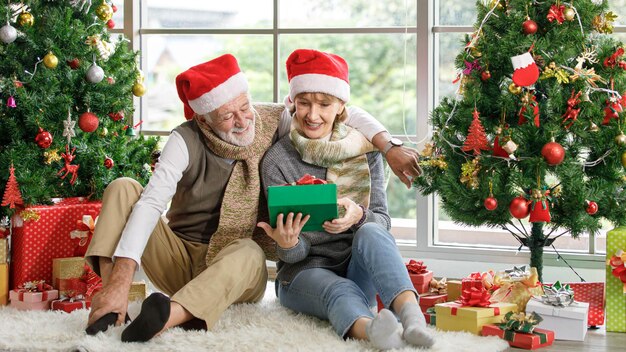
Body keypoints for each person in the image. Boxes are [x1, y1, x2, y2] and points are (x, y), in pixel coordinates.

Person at [83, 53, 422, 342]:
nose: (243, 120)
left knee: (249, 250)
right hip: (183, 257)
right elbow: (151, 203)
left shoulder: (273, 120)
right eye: (227, 115)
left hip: (236, 266)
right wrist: (122, 281)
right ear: (202, 117)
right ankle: (113, 297)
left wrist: (387, 145)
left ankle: (168, 315)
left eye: (245, 107)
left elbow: (340, 109)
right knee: (123, 186)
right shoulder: (187, 141)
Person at [258, 49, 434, 350]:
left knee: (372, 230)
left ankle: (413, 318)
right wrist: (287, 244)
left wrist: (359, 216)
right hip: (302, 274)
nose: (313, 115)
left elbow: (382, 221)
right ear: (293, 104)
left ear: (341, 106)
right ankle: (372, 332)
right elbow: (293, 256)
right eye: (303, 103)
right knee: (338, 290)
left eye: (324, 104)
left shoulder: (364, 151)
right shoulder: (277, 160)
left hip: (356, 264)